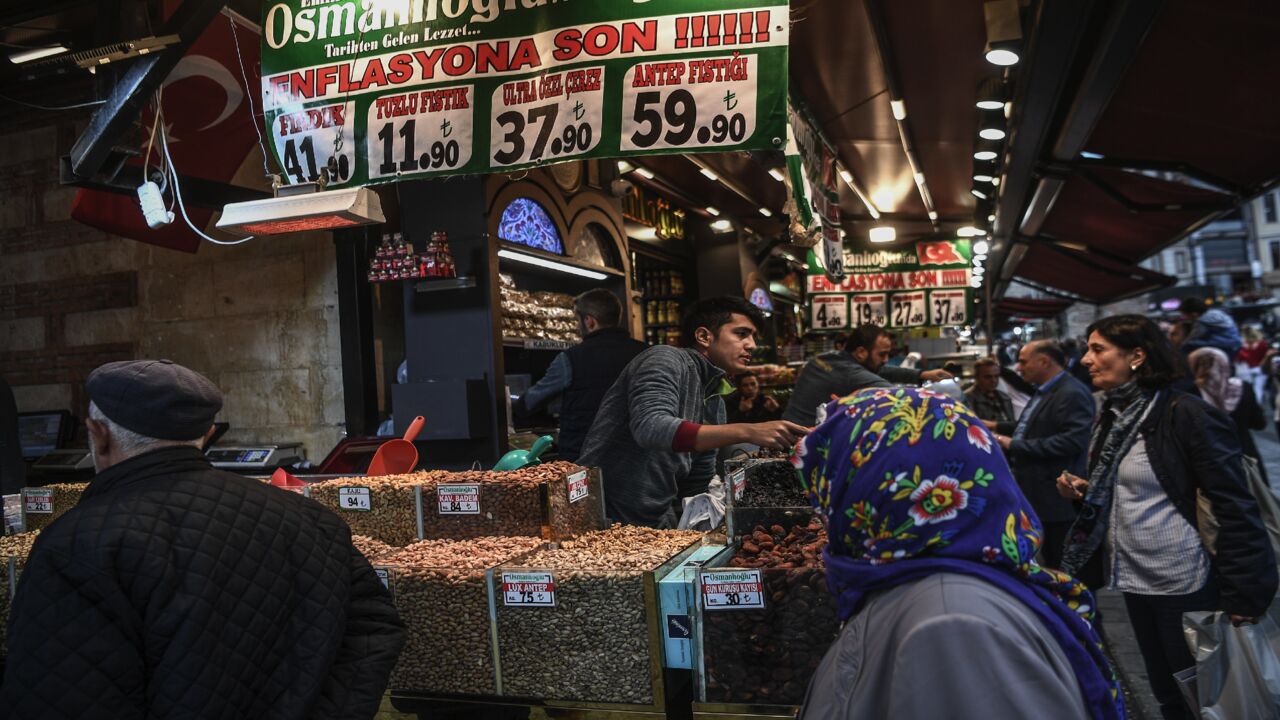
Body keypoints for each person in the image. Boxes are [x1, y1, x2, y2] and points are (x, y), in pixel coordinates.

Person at [0, 360, 406, 719]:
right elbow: (374, 627)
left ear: (97, 434)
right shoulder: (312, 520)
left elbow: (57, 695)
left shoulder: (75, 545)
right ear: (208, 434)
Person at [796, 387, 1124, 720]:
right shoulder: (924, 585)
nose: (820, 495)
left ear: (866, 484)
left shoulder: (951, 627)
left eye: (831, 471)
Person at [1058, 315, 1276, 720]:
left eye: (1098, 349)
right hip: (1137, 579)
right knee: (1167, 695)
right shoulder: (1116, 415)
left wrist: (1246, 592)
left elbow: (1233, 503)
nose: (1086, 359)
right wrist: (1088, 492)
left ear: (1137, 356)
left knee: (1200, 699)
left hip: (1184, 582)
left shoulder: (1185, 413)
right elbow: (1136, 485)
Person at [578, 297, 808, 528]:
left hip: (654, 519)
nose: (752, 345)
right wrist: (747, 431)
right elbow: (650, 427)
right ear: (704, 336)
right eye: (741, 334)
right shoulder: (664, 358)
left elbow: (698, 481)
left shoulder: (715, 399)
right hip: (599, 515)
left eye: (753, 336)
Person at [987, 341, 1095, 570]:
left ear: (1044, 361)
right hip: (1039, 495)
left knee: (1063, 566)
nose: (1018, 367)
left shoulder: (1071, 393)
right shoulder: (1046, 390)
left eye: (1024, 361)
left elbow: (1071, 441)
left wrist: (1012, 444)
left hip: (1057, 498)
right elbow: (1032, 425)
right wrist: (995, 425)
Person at [517, 288, 646, 461]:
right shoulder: (646, 353)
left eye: (578, 321)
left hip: (584, 461)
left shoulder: (570, 358)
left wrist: (513, 404)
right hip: (637, 458)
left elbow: (532, 401)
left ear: (590, 321)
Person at [783, 324, 953, 426]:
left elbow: (881, 370)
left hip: (787, 429)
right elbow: (897, 395)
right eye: (882, 354)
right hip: (800, 439)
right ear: (861, 352)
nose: (886, 360)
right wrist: (942, 407)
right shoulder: (851, 373)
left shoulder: (826, 358)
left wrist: (923, 374)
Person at [1188, 347, 1267, 483]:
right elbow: (1259, 423)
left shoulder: (1190, 394)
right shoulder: (1244, 388)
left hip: (1211, 460)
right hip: (1246, 454)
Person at [964, 356, 1015, 425]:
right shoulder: (967, 399)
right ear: (977, 377)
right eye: (988, 377)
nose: (993, 380)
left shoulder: (1004, 397)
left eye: (996, 376)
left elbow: (1012, 424)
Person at [1236, 325, 1269, 404]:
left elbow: (1239, 359)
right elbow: (1265, 356)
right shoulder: (1262, 344)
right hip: (1259, 369)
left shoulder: (1241, 345)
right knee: (1258, 390)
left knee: (1247, 391)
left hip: (1246, 370)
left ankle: (1250, 408)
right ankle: (1257, 408)